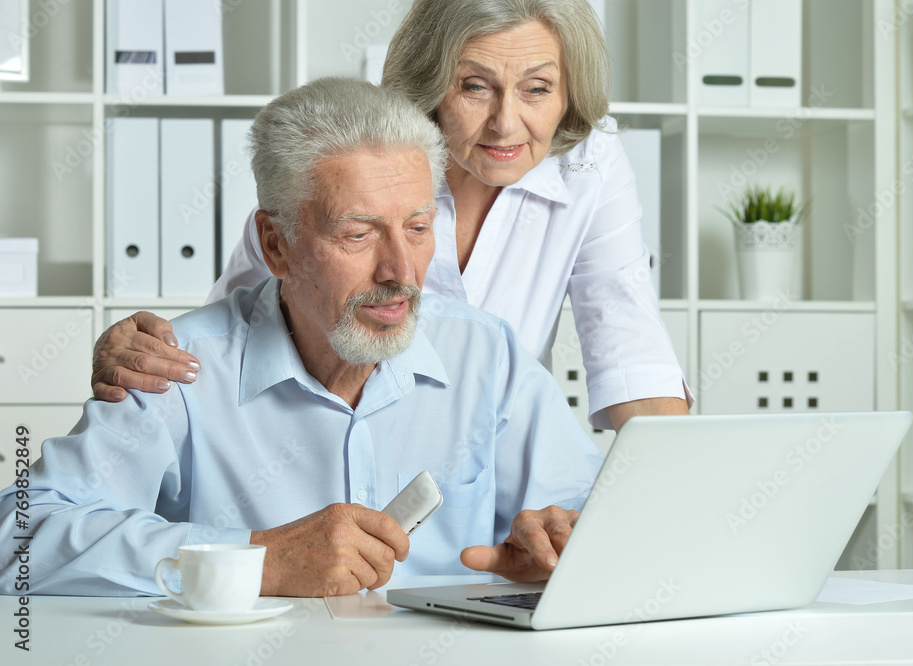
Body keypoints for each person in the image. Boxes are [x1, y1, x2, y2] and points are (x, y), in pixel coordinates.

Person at [0, 78, 603, 598]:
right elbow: (19, 540)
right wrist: (258, 558)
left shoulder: (484, 355)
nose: (400, 271)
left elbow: (598, 524)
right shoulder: (175, 368)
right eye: (358, 235)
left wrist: (561, 547)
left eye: (418, 228)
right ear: (276, 245)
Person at [90, 0, 692, 432]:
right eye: (475, 87)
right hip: (327, 442)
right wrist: (144, 361)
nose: (507, 125)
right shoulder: (365, 152)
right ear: (430, 86)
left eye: (537, 89)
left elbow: (629, 346)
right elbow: (235, 332)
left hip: (489, 457)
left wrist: (674, 492)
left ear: (568, 93)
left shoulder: (590, 160)